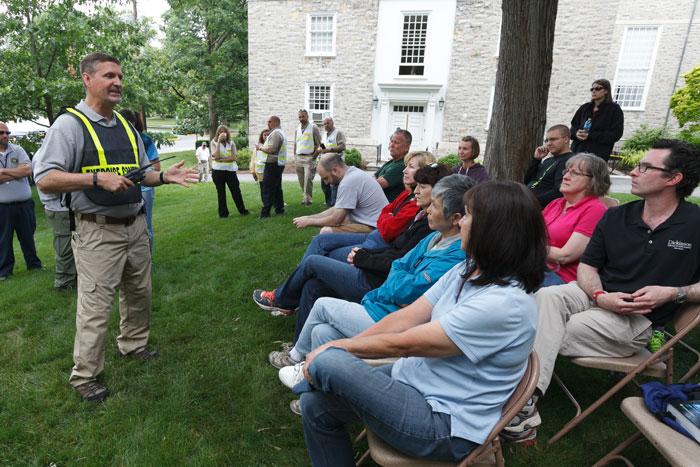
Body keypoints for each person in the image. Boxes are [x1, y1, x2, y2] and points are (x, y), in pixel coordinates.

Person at [297, 181, 547, 463]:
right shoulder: (469, 269)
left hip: (444, 425)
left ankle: (305, 373)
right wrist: (341, 349)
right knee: (316, 405)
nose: (460, 222)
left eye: (467, 215)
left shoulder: (505, 304)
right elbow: (407, 316)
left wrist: (336, 350)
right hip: (415, 384)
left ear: (494, 230)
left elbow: (405, 344)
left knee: (329, 360)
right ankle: (308, 379)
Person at [504, 139, 700, 444]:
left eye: (645, 166)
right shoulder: (618, 216)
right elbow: (587, 268)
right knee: (545, 298)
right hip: (594, 295)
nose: (633, 171)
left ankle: (513, 400)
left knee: (546, 327)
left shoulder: (695, 224)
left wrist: (674, 293)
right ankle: (525, 403)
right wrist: (599, 296)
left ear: (673, 179)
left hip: (637, 318)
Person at [32, 52, 199, 403]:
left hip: (135, 225)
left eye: (119, 76)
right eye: (109, 76)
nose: (117, 82)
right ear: (87, 79)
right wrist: (95, 180)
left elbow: (142, 172)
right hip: (97, 231)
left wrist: (164, 177)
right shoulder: (69, 125)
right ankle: (85, 376)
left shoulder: (125, 125)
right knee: (95, 306)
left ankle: (134, 344)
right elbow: (45, 178)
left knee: (139, 292)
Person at [272, 174, 474, 382]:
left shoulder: (455, 254)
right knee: (322, 331)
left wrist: (395, 280)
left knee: (322, 300)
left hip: (391, 319)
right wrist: (398, 280)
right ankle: (315, 384)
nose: (428, 209)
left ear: (456, 218)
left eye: (435, 206)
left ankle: (296, 358)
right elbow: (398, 262)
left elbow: (407, 289)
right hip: (382, 301)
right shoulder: (434, 236)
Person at [253, 165, 456, 351]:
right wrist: (370, 257)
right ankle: (299, 345)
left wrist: (364, 258)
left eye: (422, 185)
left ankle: (282, 300)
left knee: (315, 261)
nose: (416, 189)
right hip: (375, 267)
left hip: (375, 287)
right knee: (313, 282)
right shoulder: (424, 221)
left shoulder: (429, 228)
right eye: (415, 182)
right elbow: (388, 230)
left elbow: (395, 254)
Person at [301, 151, 436, 262]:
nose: (404, 170)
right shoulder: (407, 194)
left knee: (324, 247)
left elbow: (389, 228)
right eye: (406, 166)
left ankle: (298, 282)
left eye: (411, 167)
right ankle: (302, 281)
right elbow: (385, 211)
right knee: (322, 243)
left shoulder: (417, 202)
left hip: (377, 237)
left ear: (424, 172)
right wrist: (388, 216)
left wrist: (309, 221)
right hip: (376, 234)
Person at [542, 153, 610, 286]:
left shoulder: (595, 210)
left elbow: (565, 256)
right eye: (566, 171)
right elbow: (529, 232)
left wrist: (527, 247)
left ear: (593, 180)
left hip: (562, 278)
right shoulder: (556, 203)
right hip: (536, 268)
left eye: (574, 173)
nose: (565, 177)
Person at [291, 153, 387, 233]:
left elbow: (335, 220)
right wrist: (309, 217)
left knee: (326, 231)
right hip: (376, 224)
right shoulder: (352, 173)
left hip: (376, 229)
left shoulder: (348, 182)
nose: (326, 183)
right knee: (341, 222)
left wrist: (309, 222)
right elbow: (336, 209)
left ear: (335, 170)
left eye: (326, 178)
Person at [0, 122, 42, 281]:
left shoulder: (18, 150)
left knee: (28, 236)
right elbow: (21, 171)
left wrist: (4, 171)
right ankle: (4, 271)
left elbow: (28, 170)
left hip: (24, 204)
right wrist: (17, 173)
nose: (5, 135)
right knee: (3, 239)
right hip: (2, 207)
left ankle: (34, 265)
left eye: (7, 132)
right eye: (1, 133)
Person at [120, 109, 160, 251]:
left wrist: (137, 174)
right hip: (125, 189)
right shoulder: (115, 140)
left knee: (145, 225)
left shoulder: (144, 140)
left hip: (145, 190)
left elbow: (156, 167)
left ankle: (148, 258)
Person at [570, 79, 624, 161]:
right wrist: (576, 133)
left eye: (598, 88)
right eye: (592, 89)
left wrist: (590, 135)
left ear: (606, 91)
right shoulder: (584, 107)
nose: (594, 91)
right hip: (577, 152)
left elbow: (616, 134)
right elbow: (573, 127)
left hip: (597, 155)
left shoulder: (614, 109)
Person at [524, 124, 575, 208]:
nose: (549, 143)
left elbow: (559, 192)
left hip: (538, 207)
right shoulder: (548, 160)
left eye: (553, 139)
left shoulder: (570, 161)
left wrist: (531, 201)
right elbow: (528, 181)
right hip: (526, 200)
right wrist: (536, 160)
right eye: (546, 140)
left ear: (566, 139)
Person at [37, 189, 76, 290]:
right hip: (60, 209)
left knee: (69, 244)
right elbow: (47, 184)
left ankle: (70, 280)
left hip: (62, 208)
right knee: (65, 247)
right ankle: (64, 283)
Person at [211, 125, 249, 217]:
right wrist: (219, 141)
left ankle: (242, 210)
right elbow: (215, 156)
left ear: (227, 133)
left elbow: (234, 157)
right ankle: (223, 214)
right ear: (218, 133)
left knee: (236, 190)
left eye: (224, 131)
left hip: (230, 171)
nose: (222, 133)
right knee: (221, 192)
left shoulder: (231, 143)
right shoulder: (214, 142)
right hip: (218, 171)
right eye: (220, 132)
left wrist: (222, 159)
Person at [255, 116, 287, 218]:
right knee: (277, 188)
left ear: (276, 122)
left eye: (270, 122)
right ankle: (279, 209)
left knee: (267, 188)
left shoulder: (276, 133)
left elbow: (271, 149)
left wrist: (260, 147)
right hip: (277, 163)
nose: (268, 124)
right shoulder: (280, 132)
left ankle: (265, 213)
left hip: (273, 164)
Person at [294, 110, 322, 205]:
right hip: (298, 157)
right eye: (300, 117)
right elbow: (295, 143)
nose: (301, 119)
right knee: (301, 179)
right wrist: (294, 155)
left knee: (308, 179)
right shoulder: (297, 128)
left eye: (303, 116)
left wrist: (314, 157)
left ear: (307, 116)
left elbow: (320, 144)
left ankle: (308, 199)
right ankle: (305, 196)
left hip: (309, 157)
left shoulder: (313, 127)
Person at [376, 129, 411, 202]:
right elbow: (374, 178)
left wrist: (380, 178)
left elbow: (375, 184)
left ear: (407, 147)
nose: (391, 145)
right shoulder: (391, 162)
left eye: (396, 142)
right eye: (391, 141)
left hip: (388, 208)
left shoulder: (403, 165)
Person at [318, 117, 345, 207]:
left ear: (332, 123)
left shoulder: (338, 133)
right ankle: (329, 203)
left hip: (335, 163)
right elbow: (323, 146)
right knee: (325, 185)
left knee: (334, 185)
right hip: (325, 162)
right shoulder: (324, 134)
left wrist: (330, 150)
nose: (326, 125)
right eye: (324, 124)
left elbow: (342, 146)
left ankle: (334, 205)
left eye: (327, 123)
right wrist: (320, 150)